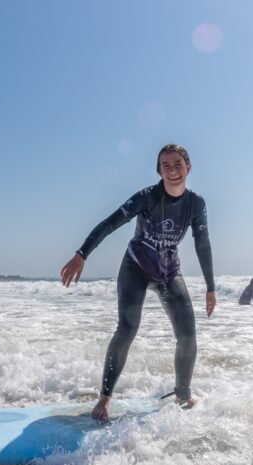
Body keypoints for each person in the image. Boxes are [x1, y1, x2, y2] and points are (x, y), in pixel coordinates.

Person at [61, 144, 216, 420]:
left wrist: (211, 287)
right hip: (136, 267)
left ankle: (183, 396)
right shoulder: (147, 197)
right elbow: (110, 223)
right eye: (165, 166)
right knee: (127, 328)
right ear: (159, 171)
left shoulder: (196, 204)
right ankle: (104, 399)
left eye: (177, 164)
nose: (172, 171)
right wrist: (81, 254)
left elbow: (202, 244)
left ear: (188, 168)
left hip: (168, 272)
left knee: (188, 335)